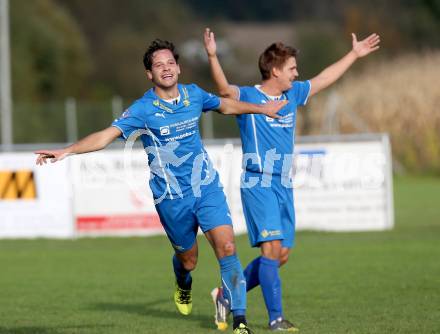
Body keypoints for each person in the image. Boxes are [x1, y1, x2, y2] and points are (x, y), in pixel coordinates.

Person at [35, 39, 287, 334]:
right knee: (189, 260)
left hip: (205, 187)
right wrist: (68, 150)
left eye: (170, 63)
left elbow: (226, 105)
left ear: (178, 67)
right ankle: (183, 282)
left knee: (228, 247)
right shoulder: (143, 109)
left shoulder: (193, 95)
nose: (166, 68)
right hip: (171, 198)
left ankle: (240, 321)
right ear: (149, 74)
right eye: (158, 65)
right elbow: (106, 135)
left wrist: (261, 109)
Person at [203, 28, 380, 331]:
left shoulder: (292, 94)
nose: (297, 74)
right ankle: (276, 319)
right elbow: (223, 90)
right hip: (259, 182)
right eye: (292, 69)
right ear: (274, 70)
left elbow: (324, 79)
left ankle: (226, 295)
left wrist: (353, 54)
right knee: (271, 251)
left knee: (281, 255)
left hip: (283, 183)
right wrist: (212, 56)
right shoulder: (249, 96)